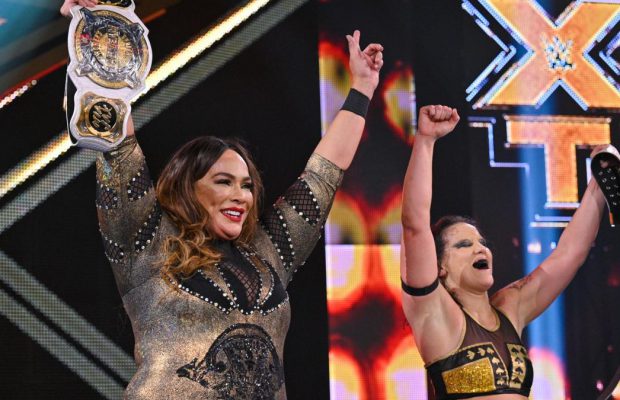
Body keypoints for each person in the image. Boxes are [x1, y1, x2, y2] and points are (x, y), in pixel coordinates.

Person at [61, 1, 384, 398]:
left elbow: (323, 174)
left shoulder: (267, 253)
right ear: (188, 188)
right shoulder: (148, 244)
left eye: (246, 185)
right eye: (223, 182)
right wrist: (98, 29)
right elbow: (120, 149)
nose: (241, 196)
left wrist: (362, 89)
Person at [400, 105, 611, 399]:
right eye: (464, 245)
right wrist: (425, 140)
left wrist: (599, 184)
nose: (480, 248)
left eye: (481, 242)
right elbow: (415, 226)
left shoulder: (510, 307)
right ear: (440, 268)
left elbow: (569, 254)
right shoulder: (434, 313)